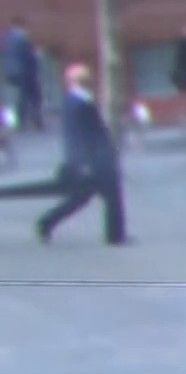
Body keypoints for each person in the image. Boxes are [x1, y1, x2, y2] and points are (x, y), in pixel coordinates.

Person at [35, 63, 127, 247]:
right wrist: (86, 162)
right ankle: (115, 236)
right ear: (74, 81)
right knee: (108, 196)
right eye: (84, 78)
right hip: (95, 161)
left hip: (92, 160)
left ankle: (46, 222)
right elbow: (81, 135)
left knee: (83, 198)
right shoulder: (79, 103)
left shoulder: (77, 100)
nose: (88, 80)